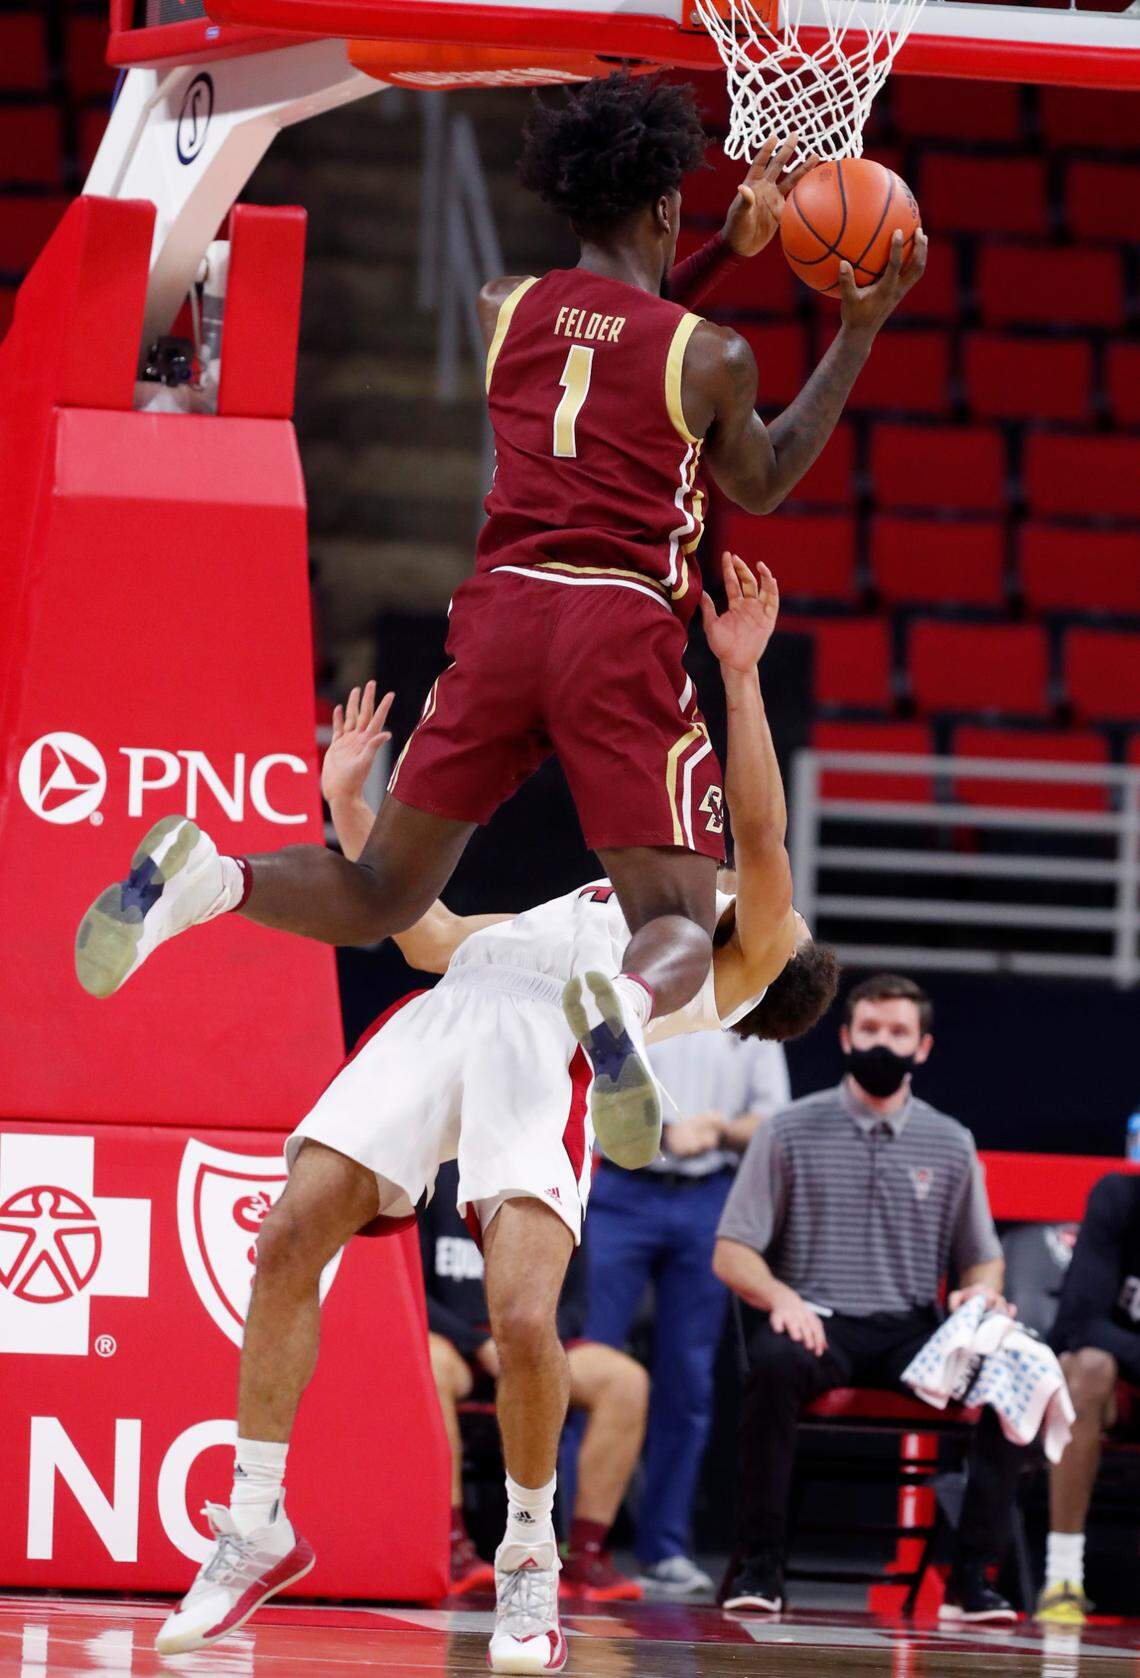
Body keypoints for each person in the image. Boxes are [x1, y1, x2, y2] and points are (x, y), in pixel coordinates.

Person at [75, 73, 924, 1169]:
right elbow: (757, 478)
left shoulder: (502, 305)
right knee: (671, 917)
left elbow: (610, 335)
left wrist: (721, 248)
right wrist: (857, 332)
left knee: (387, 890)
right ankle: (617, 1004)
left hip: (500, 614)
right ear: (666, 209)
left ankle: (213, 876)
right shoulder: (714, 354)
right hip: (613, 624)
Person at [152, 554, 839, 1672]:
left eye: (790, 917)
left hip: (551, 1049)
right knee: (285, 1236)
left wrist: (743, 679)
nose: (784, 902)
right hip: (459, 1011)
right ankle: (256, 1518)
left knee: (526, 1323)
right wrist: (353, 810)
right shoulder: (593, 902)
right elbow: (425, 938)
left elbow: (759, 841)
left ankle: (529, 1555)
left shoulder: (741, 951)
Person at [714, 973, 1028, 1623]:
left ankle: (974, 1576)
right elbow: (731, 1250)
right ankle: (760, 1565)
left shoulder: (951, 1141)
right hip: (818, 1322)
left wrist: (984, 1294)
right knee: (772, 1366)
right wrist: (779, 1297)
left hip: (911, 1329)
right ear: (845, 1038)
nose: (883, 1043)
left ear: (923, 1047)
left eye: (898, 1033)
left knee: (1008, 1373)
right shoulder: (788, 1130)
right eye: (871, 1030)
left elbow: (983, 1256)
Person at [584, 1024, 790, 1599]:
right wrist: (666, 1134)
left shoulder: (749, 1009)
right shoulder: (629, 990)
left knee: (689, 1380)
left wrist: (721, 1128)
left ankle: (664, 1548)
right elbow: (588, 1095)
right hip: (620, 1190)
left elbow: (772, 1118)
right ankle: (568, 1544)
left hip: (706, 1198)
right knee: (584, 1366)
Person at [423, 1161, 648, 1602]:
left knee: (625, 1381)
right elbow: (411, 1289)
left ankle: (585, 1555)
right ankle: (451, 1545)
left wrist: (527, 1342)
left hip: (530, 1342)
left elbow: (575, 1305)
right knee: (428, 1363)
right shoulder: (434, 1176)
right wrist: (477, 1344)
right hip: (460, 1347)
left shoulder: (552, 1177)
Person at [1036, 1172, 1140, 1625]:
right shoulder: (1119, 1198)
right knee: (1085, 1369)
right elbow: (1076, 1323)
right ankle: (1063, 1579)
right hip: (1121, 1383)